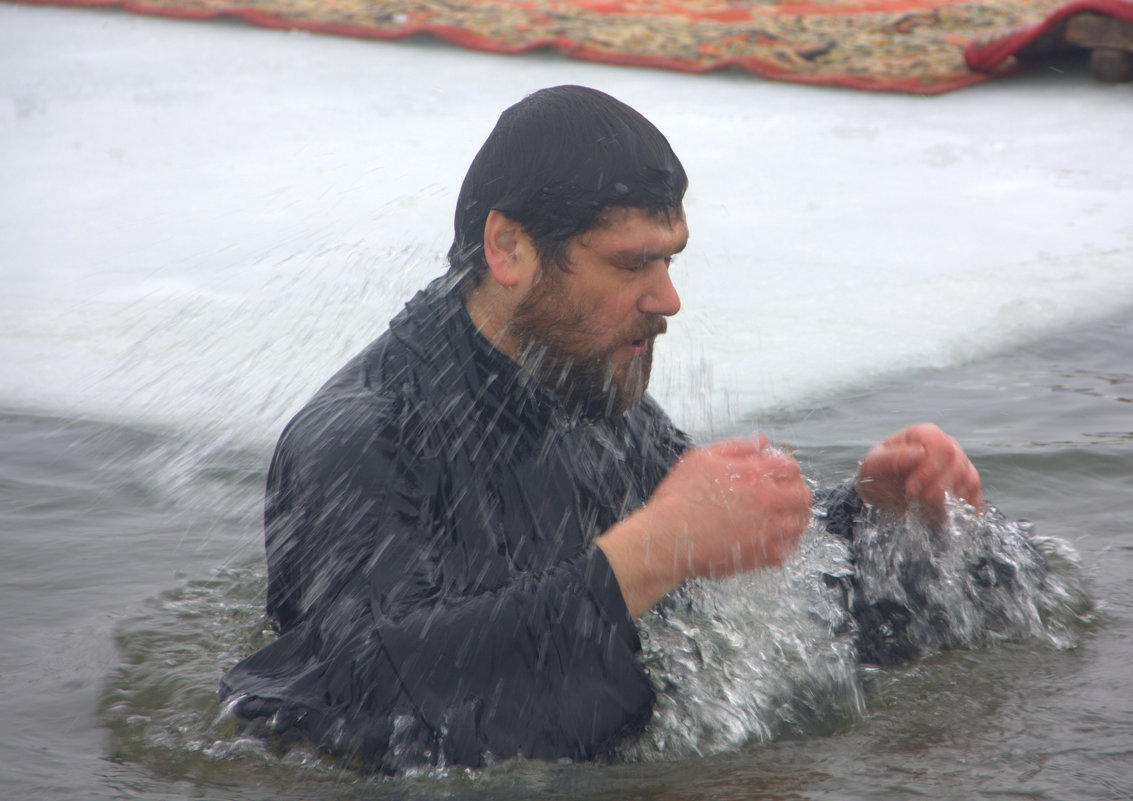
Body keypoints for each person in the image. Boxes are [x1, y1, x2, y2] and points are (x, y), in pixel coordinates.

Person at [219, 85, 982, 773]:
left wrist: (878, 519)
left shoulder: (585, 387)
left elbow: (745, 597)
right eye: (630, 265)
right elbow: (355, 702)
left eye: (670, 259)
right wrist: (649, 552)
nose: (668, 297)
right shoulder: (357, 443)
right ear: (508, 248)